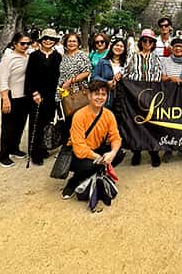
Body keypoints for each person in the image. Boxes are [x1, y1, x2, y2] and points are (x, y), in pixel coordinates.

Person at [61, 80, 125, 203]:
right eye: (96, 94)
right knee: (89, 164)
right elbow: (79, 148)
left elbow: (116, 137)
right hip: (79, 153)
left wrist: (112, 153)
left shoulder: (108, 115)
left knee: (119, 153)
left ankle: (95, 174)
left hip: (97, 148)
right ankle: (74, 181)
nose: (100, 97)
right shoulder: (79, 116)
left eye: (103, 94)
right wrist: (100, 158)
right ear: (89, 95)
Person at [122, 28, 163, 167]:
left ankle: (153, 151)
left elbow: (158, 75)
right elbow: (125, 72)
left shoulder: (155, 58)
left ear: (153, 43)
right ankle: (137, 151)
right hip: (134, 95)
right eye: (145, 40)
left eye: (150, 41)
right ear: (141, 42)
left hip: (150, 94)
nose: (147, 43)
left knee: (151, 123)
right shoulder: (133, 56)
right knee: (136, 123)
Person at [24, 28, 62, 165]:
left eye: (51, 39)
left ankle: (44, 146)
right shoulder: (34, 56)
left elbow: (59, 76)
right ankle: (34, 152)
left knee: (48, 121)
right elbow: (29, 76)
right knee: (36, 123)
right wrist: (34, 92)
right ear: (41, 40)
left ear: (54, 41)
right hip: (37, 95)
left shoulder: (57, 56)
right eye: (45, 38)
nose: (48, 41)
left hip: (51, 95)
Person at [0, 32, 32, 168]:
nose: (25, 46)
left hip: (24, 96)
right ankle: (3, 155)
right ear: (15, 43)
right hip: (11, 96)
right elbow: (3, 79)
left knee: (20, 124)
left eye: (28, 43)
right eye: (22, 43)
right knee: (8, 126)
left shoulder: (28, 56)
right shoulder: (8, 58)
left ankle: (14, 148)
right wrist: (5, 98)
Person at [56, 33, 92, 134]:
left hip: (77, 91)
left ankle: (77, 142)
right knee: (65, 117)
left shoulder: (81, 55)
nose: (71, 43)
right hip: (63, 91)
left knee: (77, 118)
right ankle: (67, 141)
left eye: (74, 41)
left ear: (78, 43)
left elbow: (87, 72)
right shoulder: (64, 56)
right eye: (69, 41)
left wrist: (70, 81)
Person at [92, 38, 127, 109]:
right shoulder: (103, 61)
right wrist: (107, 82)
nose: (118, 48)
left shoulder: (126, 64)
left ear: (124, 49)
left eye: (121, 46)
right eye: (117, 45)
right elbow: (94, 76)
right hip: (106, 97)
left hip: (122, 99)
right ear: (112, 47)